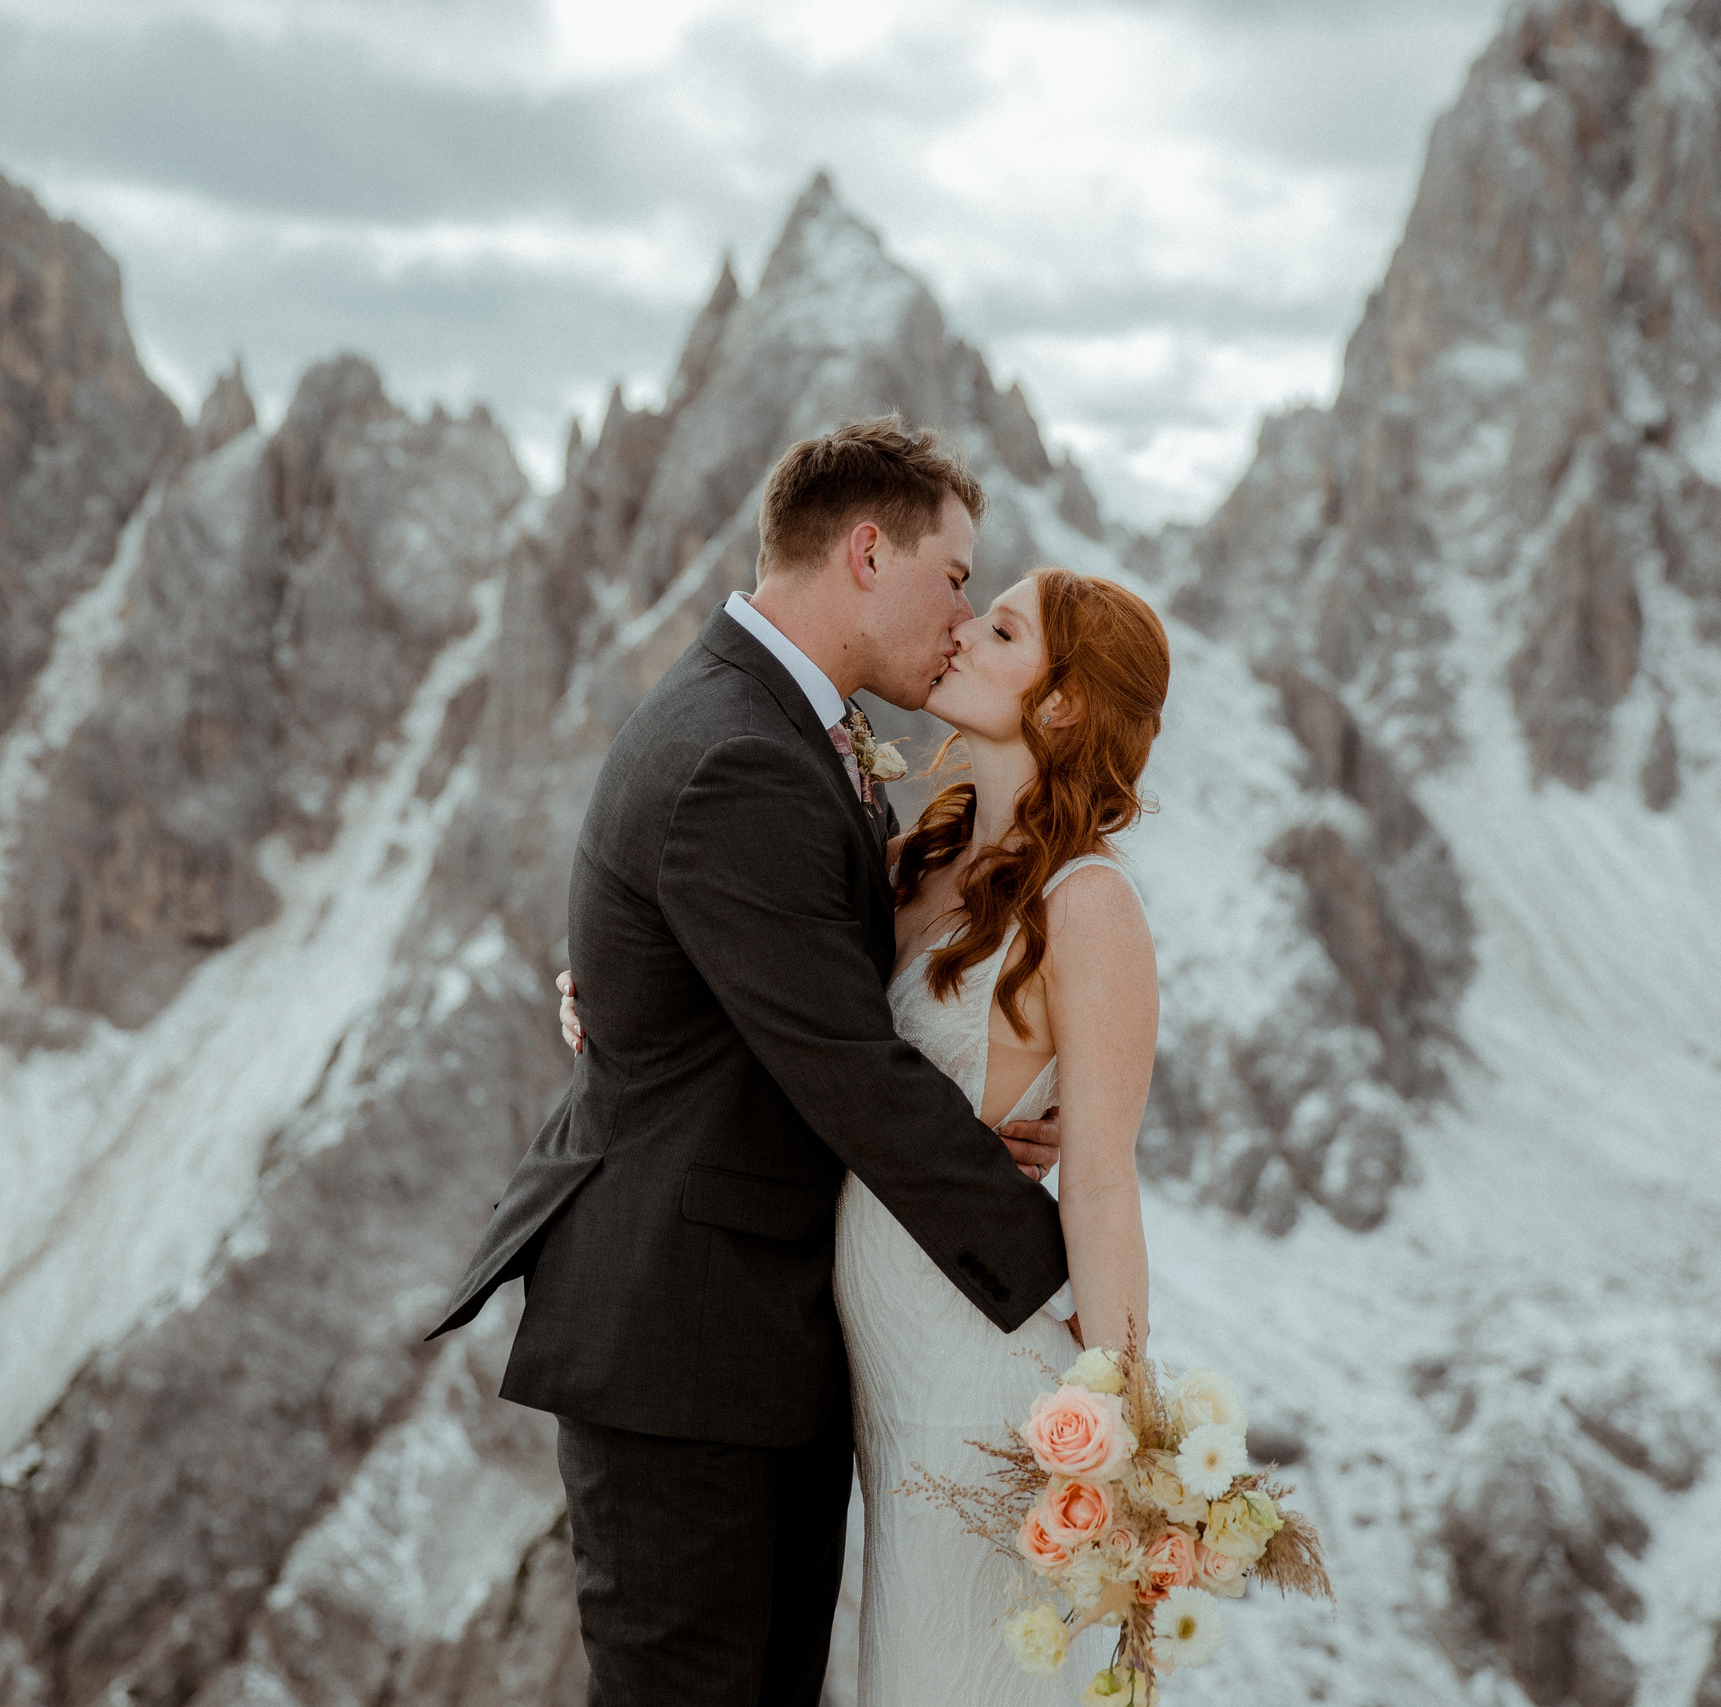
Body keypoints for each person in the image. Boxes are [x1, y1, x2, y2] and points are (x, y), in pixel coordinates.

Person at [428, 418, 1084, 1707]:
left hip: (748, 1347)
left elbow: (791, 1008)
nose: (961, 617)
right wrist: (1067, 1302)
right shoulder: (741, 751)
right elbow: (840, 1062)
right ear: (863, 551)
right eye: (954, 577)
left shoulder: (781, 725)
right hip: (685, 1348)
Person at [559, 564, 1169, 1703]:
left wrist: (1129, 1438)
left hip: (980, 1360)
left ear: (1065, 705)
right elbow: (780, 999)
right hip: (867, 1368)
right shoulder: (909, 859)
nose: (957, 634)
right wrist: (602, 983)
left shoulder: (1089, 905)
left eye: (996, 628)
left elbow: (1098, 1186)